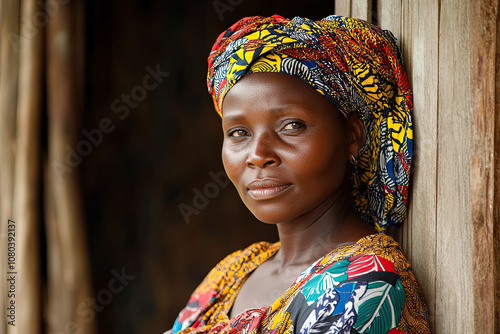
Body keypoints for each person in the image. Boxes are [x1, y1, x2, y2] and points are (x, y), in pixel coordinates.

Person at [166, 14, 431, 334]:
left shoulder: (366, 285)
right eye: (238, 132)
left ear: (353, 136)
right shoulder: (233, 272)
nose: (258, 156)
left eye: (292, 126)